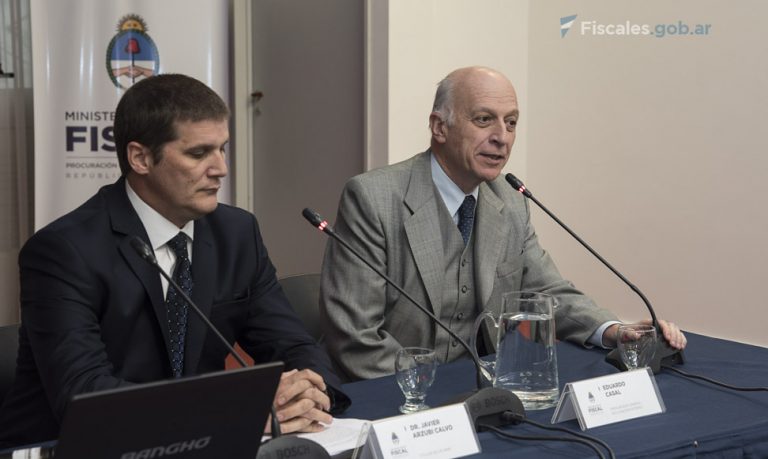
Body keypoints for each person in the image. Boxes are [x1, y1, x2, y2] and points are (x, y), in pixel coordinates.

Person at [0, 74, 349, 449]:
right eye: (199, 153)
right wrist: (239, 413)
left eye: (223, 149)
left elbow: (293, 343)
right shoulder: (63, 251)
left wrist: (311, 389)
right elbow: (86, 397)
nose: (221, 169)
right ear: (141, 158)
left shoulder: (237, 232)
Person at [319, 66, 686, 381]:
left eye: (511, 122)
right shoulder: (373, 197)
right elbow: (356, 336)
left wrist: (614, 331)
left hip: (482, 391)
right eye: (484, 119)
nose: (502, 137)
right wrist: (422, 390)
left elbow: (547, 291)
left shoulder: (508, 199)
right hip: (397, 395)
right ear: (439, 127)